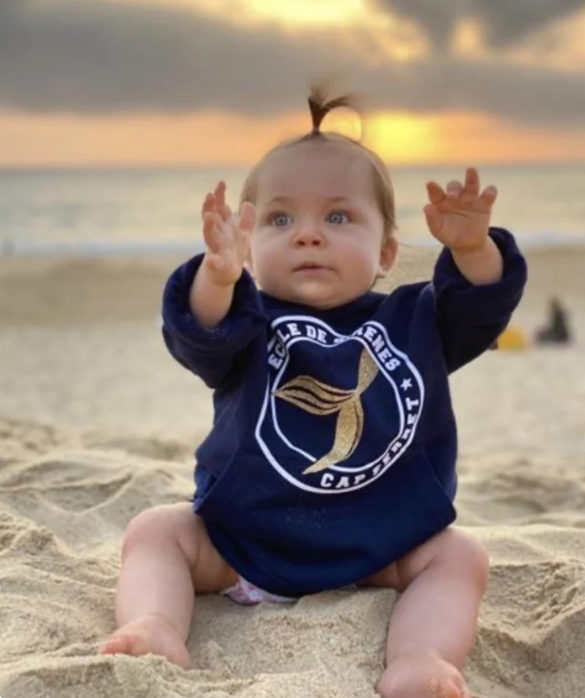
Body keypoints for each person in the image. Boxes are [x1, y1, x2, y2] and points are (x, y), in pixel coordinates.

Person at [100, 90, 527, 698]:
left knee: (459, 558)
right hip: (245, 543)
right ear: (248, 246)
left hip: (381, 544)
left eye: (337, 217)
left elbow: (480, 307)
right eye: (279, 219)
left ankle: (419, 656)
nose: (307, 235)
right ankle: (156, 624)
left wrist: (471, 249)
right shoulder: (246, 322)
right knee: (156, 531)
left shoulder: (417, 322)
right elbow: (198, 335)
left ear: (385, 251)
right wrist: (215, 279)